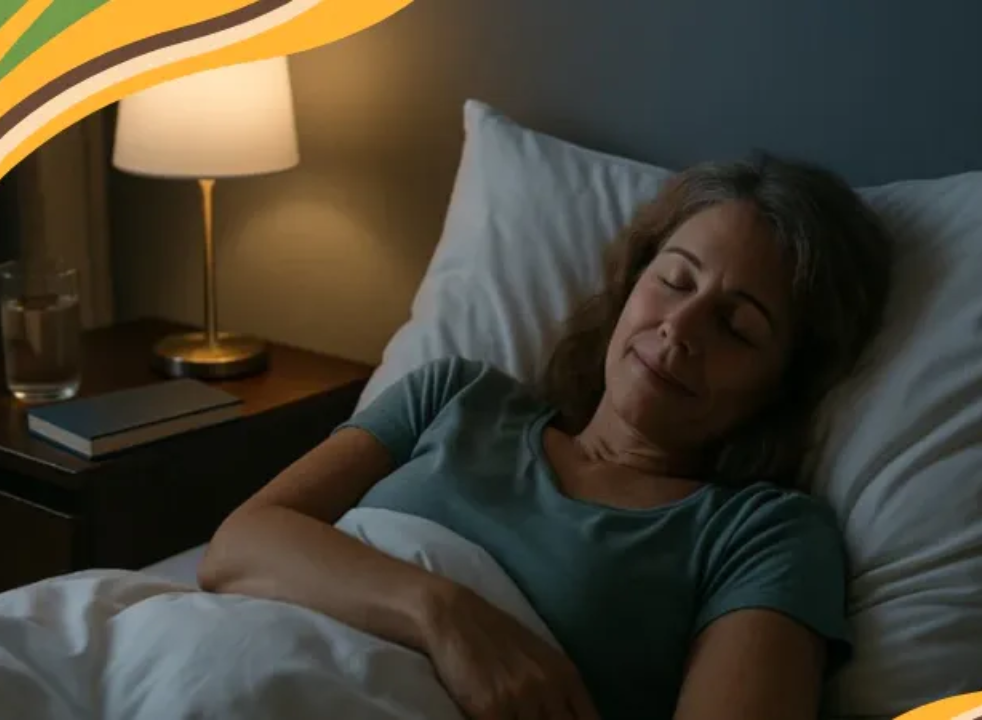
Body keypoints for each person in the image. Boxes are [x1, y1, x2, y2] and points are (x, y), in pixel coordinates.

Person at [197, 153, 893, 720]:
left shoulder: (761, 535)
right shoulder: (455, 397)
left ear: (784, 383)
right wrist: (445, 617)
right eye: (675, 281)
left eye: (737, 328)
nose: (680, 329)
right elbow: (238, 546)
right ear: (630, 284)